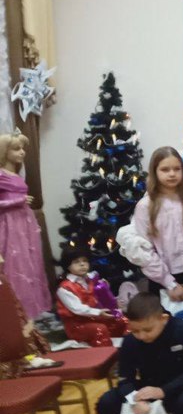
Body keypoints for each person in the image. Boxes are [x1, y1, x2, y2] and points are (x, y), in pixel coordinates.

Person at [95, 293, 183, 414]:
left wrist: (163, 391)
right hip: (147, 390)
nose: (142, 336)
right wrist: (134, 400)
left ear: (164, 319)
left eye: (148, 330)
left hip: (180, 388)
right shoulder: (130, 341)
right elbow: (125, 378)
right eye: (135, 331)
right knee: (107, 403)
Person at [133, 147, 183, 300]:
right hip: (162, 280)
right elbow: (145, 250)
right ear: (155, 172)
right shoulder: (145, 206)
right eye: (165, 170)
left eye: (177, 169)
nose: (172, 174)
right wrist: (170, 284)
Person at [0, 131, 50, 319]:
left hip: (24, 223)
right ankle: (16, 312)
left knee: (29, 263)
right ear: (4, 152)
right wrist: (17, 201)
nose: (22, 152)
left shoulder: (15, 174)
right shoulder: (1, 175)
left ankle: (31, 309)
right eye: (16, 149)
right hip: (9, 224)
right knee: (15, 265)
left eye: (22, 148)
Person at [56, 246, 128, 347]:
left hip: (96, 317)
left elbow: (102, 298)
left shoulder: (92, 279)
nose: (82, 264)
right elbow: (77, 309)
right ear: (67, 265)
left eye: (85, 261)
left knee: (123, 321)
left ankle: (130, 348)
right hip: (78, 325)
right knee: (100, 329)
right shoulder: (65, 288)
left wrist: (113, 302)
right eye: (76, 262)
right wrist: (98, 312)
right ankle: (106, 354)